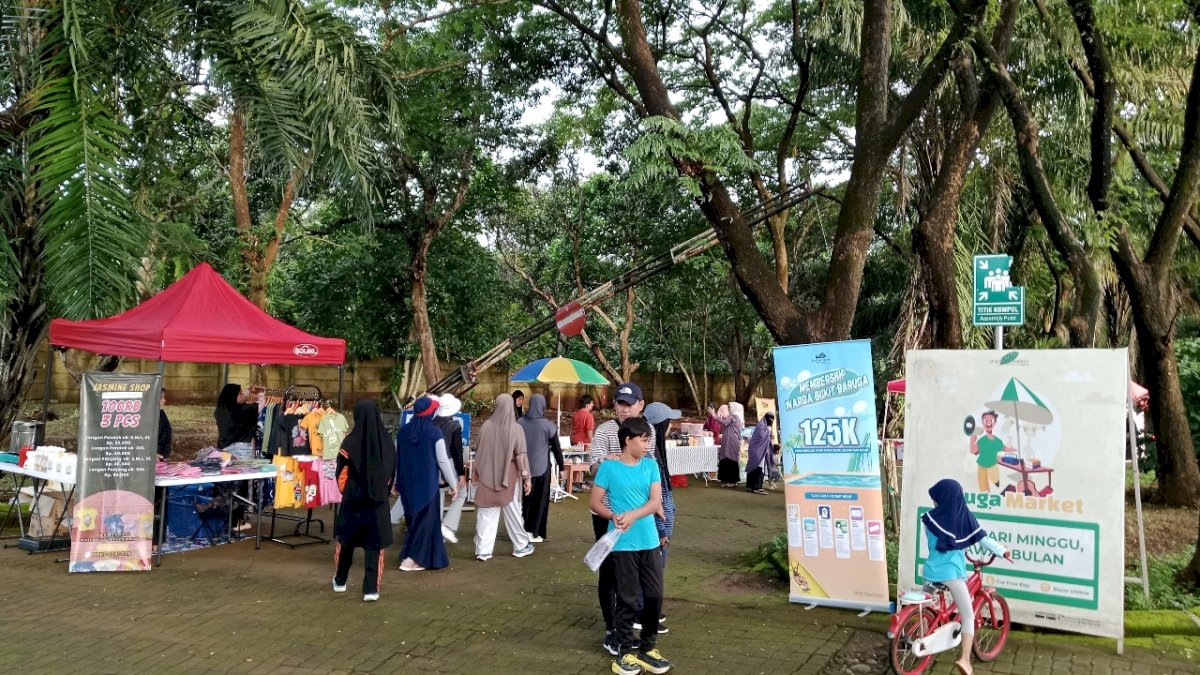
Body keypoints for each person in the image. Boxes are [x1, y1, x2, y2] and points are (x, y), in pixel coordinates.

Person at [590, 417, 671, 675]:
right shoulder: (609, 468)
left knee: (654, 595)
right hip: (622, 543)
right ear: (628, 440)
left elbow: (656, 501)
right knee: (626, 597)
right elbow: (595, 504)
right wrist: (612, 516)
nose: (648, 445)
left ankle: (648, 648)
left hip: (648, 541)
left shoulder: (650, 466)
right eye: (644, 440)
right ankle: (625, 652)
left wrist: (634, 515)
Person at [589, 381, 657, 655]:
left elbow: (648, 466)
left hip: (639, 515)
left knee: (639, 573)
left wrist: (657, 506)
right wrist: (610, 460)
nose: (624, 409)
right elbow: (594, 467)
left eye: (629, 404)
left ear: (640, 405)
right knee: (609, 571)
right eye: (620, 403)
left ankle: (630, 619)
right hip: (608, 513)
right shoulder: (605, 430)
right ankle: (611, 627)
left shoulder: (645, 431)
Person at [921, 479, 1011, 675]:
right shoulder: (964, 518)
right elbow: (984, 541)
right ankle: (965, 660)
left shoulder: (928, 518)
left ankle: (921, 635)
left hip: (929, 572)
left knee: (925, 607)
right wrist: (1003, 551)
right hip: (952, 574)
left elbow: (934, 544)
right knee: (968, 616)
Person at [333, 400, 397, 602]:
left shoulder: (349, 443)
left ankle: (340, 581)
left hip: (353, 500)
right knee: (374, 545)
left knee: (346, 541)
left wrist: (349, 491)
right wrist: (380, 491)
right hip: (377, 502)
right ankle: (371, 589)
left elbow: (341, 474)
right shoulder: (387, 443)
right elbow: (390, 474)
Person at [395, 396, 457, 572]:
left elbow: (397, 458)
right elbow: (443, 461)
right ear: (430, 413)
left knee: (414, 522)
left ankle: (419, 558)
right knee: (426, 524)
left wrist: (395, 481)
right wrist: (453, 484)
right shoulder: (434, 432)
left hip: (407, 485)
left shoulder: (403, 431)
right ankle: (411, 560)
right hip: (428, 486)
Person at [472, 394, 535, 561]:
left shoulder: (485, 426)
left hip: (486, 476)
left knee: (486, 513)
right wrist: (527, 477)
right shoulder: (516, 428)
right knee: (513, 512)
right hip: (509, 479)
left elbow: (477, 450)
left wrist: (477, 472)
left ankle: (483, 551)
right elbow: (521, 456)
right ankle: (521, 546)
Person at [642, 401, 679, 634]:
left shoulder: (658, 451)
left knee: (655, 569)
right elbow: (653, 498)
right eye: (668, 422)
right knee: (651, 571)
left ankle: (650, 610)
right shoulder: (650, 456)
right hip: (656, 528)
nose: (670, 426)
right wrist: (662, 530)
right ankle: (646, 614)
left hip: (661, 526)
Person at [518, 394, 563, 542]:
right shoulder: (548, 426)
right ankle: (535, 532)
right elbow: (557, 449)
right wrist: (562, 468)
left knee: (524, 501)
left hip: (522, 469)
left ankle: (521, 529)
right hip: (542, 469)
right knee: (540, 501)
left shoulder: (520, 422)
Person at [433, 393, 468, 544]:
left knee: (438, 497)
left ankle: (436, 531)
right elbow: (457, 451)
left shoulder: (430, 422)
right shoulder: (454, 425)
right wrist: (461, 473)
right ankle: (447, 525)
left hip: (431, 464)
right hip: (448, 462)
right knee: (461, 493)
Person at [969, 410, 1012, 493]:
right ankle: (987, 498)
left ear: (995, 422)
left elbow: (1003, 448)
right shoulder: (981, 440)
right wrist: (972, 439)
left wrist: (1010, 450)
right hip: (981, 465)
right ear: (982, 422)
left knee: (995, 481)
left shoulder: (997, 441)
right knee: (983, 485)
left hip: (992, 464)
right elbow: (974, 450)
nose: (988, 423)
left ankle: (997, 487)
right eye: (985, 420)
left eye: (991, 420)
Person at [214, 383, 259, 457]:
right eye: (240, 393)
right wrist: (261, 394)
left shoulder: (220, 409)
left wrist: (249, 390)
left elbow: (242, 398)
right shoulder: (243, 410)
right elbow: (259, 406)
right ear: (233, 396)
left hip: (222, 450)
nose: (243, 395)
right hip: (240, 453)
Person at [745, 412, 775, 495]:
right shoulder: (761, 426)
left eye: (773, 419)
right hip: (757, 450)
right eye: (770, 418)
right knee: (758, 467)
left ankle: (751, 485)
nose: (771, 420)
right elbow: (762, 437)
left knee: (756, 466)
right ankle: (757, 487)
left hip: (759, 449)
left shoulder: (763, 425)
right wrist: (768, 431)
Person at [716, 402, 744, 487]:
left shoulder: (733, 417)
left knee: (728, 460)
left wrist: (715, 415)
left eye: (729, 408)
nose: (728, 409)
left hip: (730, 442)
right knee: (731, 460)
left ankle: (728, 481)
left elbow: (724, 423)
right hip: (731, 441)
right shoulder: (737, 417)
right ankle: (731, 481)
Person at [157, 388, 172, 462]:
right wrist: (151, 454)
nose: (164, 400)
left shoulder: (161, 414)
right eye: (161, 398)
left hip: (160, 459)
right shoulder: (147, 418)